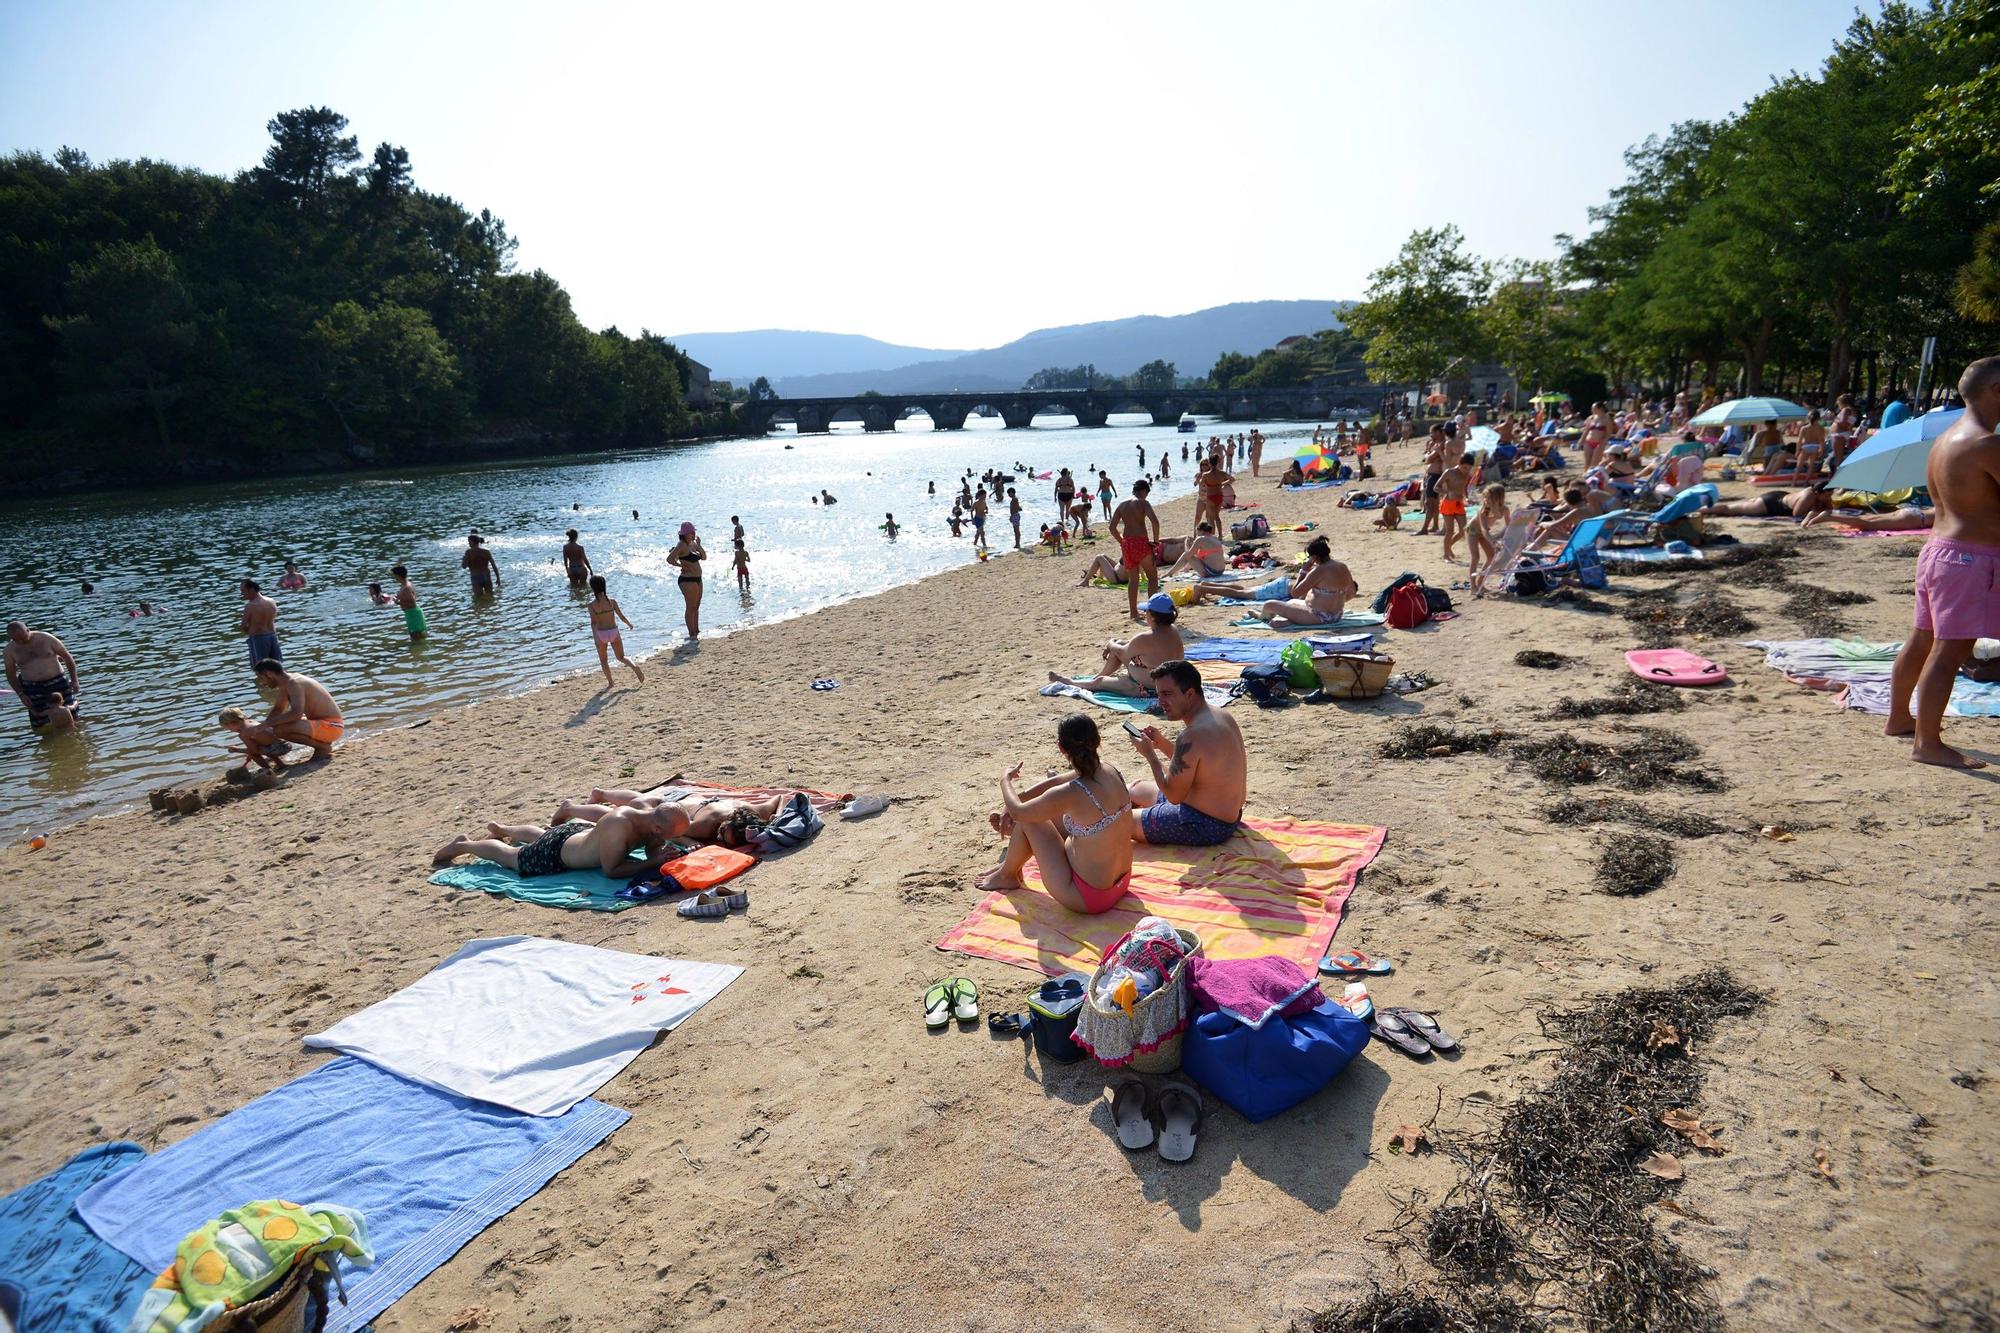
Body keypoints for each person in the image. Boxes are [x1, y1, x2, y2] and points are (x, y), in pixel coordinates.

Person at [1886, 356, 2000, 768]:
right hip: (1969, 559)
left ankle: (1899, 718)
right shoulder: (1987, 444)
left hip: (1939, 552)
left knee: (1922, 640)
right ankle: (1927, 743)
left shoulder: (1946, 439)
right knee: (1950, 651)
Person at [975, 714, 1136, 913]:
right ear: (1098, 740)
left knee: (1030, 820)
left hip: (1088, 898)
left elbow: (1019, 812)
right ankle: (1010, 864)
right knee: (1051, 813)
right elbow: (1055, 782)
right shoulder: (1110, 769)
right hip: (1121, 883)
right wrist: (1020, 797)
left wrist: (1005, 781)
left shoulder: (1070, 793)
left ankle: (1007, 875)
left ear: (1061, 748)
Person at [1123, 661, 1247, 847]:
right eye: (1158, 694)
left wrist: (1149, 755)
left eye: (1167, 694)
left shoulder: (1192, 734)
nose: (1160, 702)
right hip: (1228, 814)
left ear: (1189, 694)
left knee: (1119, 823)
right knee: (1136, 788)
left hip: (1206, 824)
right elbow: (1195, 763)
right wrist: (1162, 744)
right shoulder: (1221, 715)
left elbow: (1174, 796)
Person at [433, 803, 685, 879]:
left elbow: (653, 849)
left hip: (576, 834)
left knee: (542, 835)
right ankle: (464, 844)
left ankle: (503, 828)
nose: (675, 839)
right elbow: (611, 870)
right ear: (657, 827)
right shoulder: (620, 825)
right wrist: (651, 863)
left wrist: (662, 856)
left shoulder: (651, 821)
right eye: (672, 835)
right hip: (558, 852)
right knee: (510, 857)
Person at [552, 787, 788, 848]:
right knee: (621, 820)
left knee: (641, 800)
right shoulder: (705, 825)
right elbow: (672, 833)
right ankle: (570, 808)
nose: (718, 839)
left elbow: (779, 799)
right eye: (721, 834)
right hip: (664, 807)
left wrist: (775, 819)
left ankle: (601, 793)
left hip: (680, 798)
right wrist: (687, 840)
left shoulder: (752, 811)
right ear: (726, 823)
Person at [1049, 593, 1186, 698]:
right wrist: (1116, 643)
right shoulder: (1173, 630)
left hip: (1150, 688)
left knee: (1101, 681)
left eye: (1146, 612)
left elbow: (1123, 652)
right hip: (1171, 681)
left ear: (1153, 616)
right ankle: (1097, 677)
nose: (1145, 614)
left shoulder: (1145, 638)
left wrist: (1110, 643)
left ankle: (1069, 682)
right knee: (1119, 644)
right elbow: (1130, 647)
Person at [1188, 535, 1340, 605]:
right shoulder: (1320, 572)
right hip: (1280, 589)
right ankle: (1202, 588)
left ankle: (1207, 586)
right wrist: (1303, 571)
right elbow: (1297, 593)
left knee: (1244, 590)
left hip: (1282, 585)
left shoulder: (1321, 571)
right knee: (1242, 594)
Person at [252, 659, 343, 761]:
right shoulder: (287, 682)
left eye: (261, 678)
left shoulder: (294, 683)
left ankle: (322, 747)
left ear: (269, 674)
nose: (262, 683)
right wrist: (263, 730)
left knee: (281, 729)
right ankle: (322, 745)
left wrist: (265, 725)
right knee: (276, 726)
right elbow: (279, 708)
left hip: (332, 727)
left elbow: (296, 714)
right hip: (324, 725)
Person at [5, 622, 81, 731]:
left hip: (58, 682)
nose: (21, 642)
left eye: (24, 638)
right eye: (17, 640)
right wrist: (21, 694)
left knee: (72, 716)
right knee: (40, 724)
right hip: (33, 688)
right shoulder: (10, 650)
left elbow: (67, 657)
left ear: (28, 630)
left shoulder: (46, 638)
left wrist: (74, 680)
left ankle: (74, 738)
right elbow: (10, 674)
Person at [1247, 556, 1358, 628]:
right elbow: (1352, 592)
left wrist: (1303, 571)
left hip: (1318, 616)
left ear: (1314, 557)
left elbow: (1295, 592)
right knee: (1291, 603)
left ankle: (1262, 617)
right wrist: (1333, 603)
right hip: (1336, 615)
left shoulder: (1318, 571)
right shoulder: (1342, 567)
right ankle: (1292, 620)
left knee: (1269, 604)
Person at [1109, 479, 1162, 621]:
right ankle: (1153, 612)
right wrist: (1156, 541)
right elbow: (1155, 522)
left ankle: (1133, 613)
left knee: (1133, 580)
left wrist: (1122, 541)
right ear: (1144, 491)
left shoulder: (1122, 505)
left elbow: (1112, 528)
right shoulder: (1143, 503)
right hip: (1141, 542)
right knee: (1152, 577)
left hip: (1127, 544)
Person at [586, 575, 644, 688]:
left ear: (592, 588)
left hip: (601, 633)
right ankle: (634, 667)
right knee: (621, 657)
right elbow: (621, 616)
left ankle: (611, 683)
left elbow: (593, 623)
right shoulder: (612, 602)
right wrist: (629, 624)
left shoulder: (591, 605)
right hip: (614, 631)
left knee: (604, 661)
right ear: (604, 586)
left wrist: (596, 638)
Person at [1467, 482, 1510, 592]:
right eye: (1485, 497)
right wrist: (1493, 541)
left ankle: (1480, 582)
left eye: (1489, 497)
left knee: (1491, 556)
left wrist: (1499, 536)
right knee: (1475, 557)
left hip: (1484, 533)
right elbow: (1484, 529)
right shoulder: (1483, 511)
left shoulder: (1504, 509)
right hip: (1473, 530)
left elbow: (1509, 526)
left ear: (1498, 498)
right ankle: (1473, 586)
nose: (1486, 500)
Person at [218, 705, 285, 770]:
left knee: (253, 753)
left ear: (231, 724)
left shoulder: (244, 734)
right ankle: (281, 764)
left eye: (228, 728)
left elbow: (253, 751)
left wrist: (237, 750)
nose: (230, 730)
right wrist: (248, 758)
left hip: (278, 749)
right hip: (284, 744)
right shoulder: (251, 721)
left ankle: (267, 769)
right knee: (263, 745)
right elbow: (258, 743)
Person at [671, 521, 706, 640]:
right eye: (691, 532)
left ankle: (696, 631)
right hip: (687, 580)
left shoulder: (693, 544)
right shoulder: (681, 545)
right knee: (690, 607)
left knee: (696, 606)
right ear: (685, 534)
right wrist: (681, 566)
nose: (693, 534)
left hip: (698, 579)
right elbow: (670, 559)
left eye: (694, 532)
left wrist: (699, 545)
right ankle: (691, 633)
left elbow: (704, 557)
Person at [1438, 452, 1473, 563]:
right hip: (1448, 503)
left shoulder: (1466, 474)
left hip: (1459, 503)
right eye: (1464, 467)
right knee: (1450, 531)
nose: (1466, 470)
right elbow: (1436, 487)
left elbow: (1464, 488)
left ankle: (1448, 547)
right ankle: (1446, 555)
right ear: (1459, 463)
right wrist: (1446, 492)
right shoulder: (1449, 472)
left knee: (1464, 530)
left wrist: (1466, 497)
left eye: (1469, 468)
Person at [239, 580, 280, 671]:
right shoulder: (271, 601)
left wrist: (251, 632)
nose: (242, 594)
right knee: (276, 668)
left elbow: (243, 626)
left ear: (252, 590)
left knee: (260, 669)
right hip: (273, 636)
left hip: (258, 639)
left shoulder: (251, 606)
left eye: (243, 591)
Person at [1161, 522, 1226, 579]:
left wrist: (1186, 544)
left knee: (1185, 554)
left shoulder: (1200, 539)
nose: (1197, 535)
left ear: (1200, 530)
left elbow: (1188, 555)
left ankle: (1169, 573)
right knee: (1196, 556)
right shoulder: (1214, 538)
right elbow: (1203, 555)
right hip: (1221, 571)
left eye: (1197, 533)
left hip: (1211, 572)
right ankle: (1186, 569)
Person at [1418, 425, 1448, 536]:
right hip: (1430, 475)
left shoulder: (1442, 444)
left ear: (1439, 432)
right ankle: (1435, 525)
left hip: (1435, 475)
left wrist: (1428, 454)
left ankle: (1424, 528)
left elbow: (1429, 459)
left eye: (1433, 433)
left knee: (1429, 503)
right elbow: (1426, 458)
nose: (1431, 436)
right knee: (1434, 503)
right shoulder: (1434, 444)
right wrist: (1428, 452)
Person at [391, 565, 426, 640]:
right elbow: (407, 596)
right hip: (410, 613)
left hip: (413, 613)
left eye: (394, 575)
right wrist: (397, 596)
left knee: (417, 638)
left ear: (398, 575)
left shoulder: (406, 587)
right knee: (416, 638)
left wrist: (399, 603)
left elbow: (413, 604)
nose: (393, 577)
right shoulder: (404, 584)